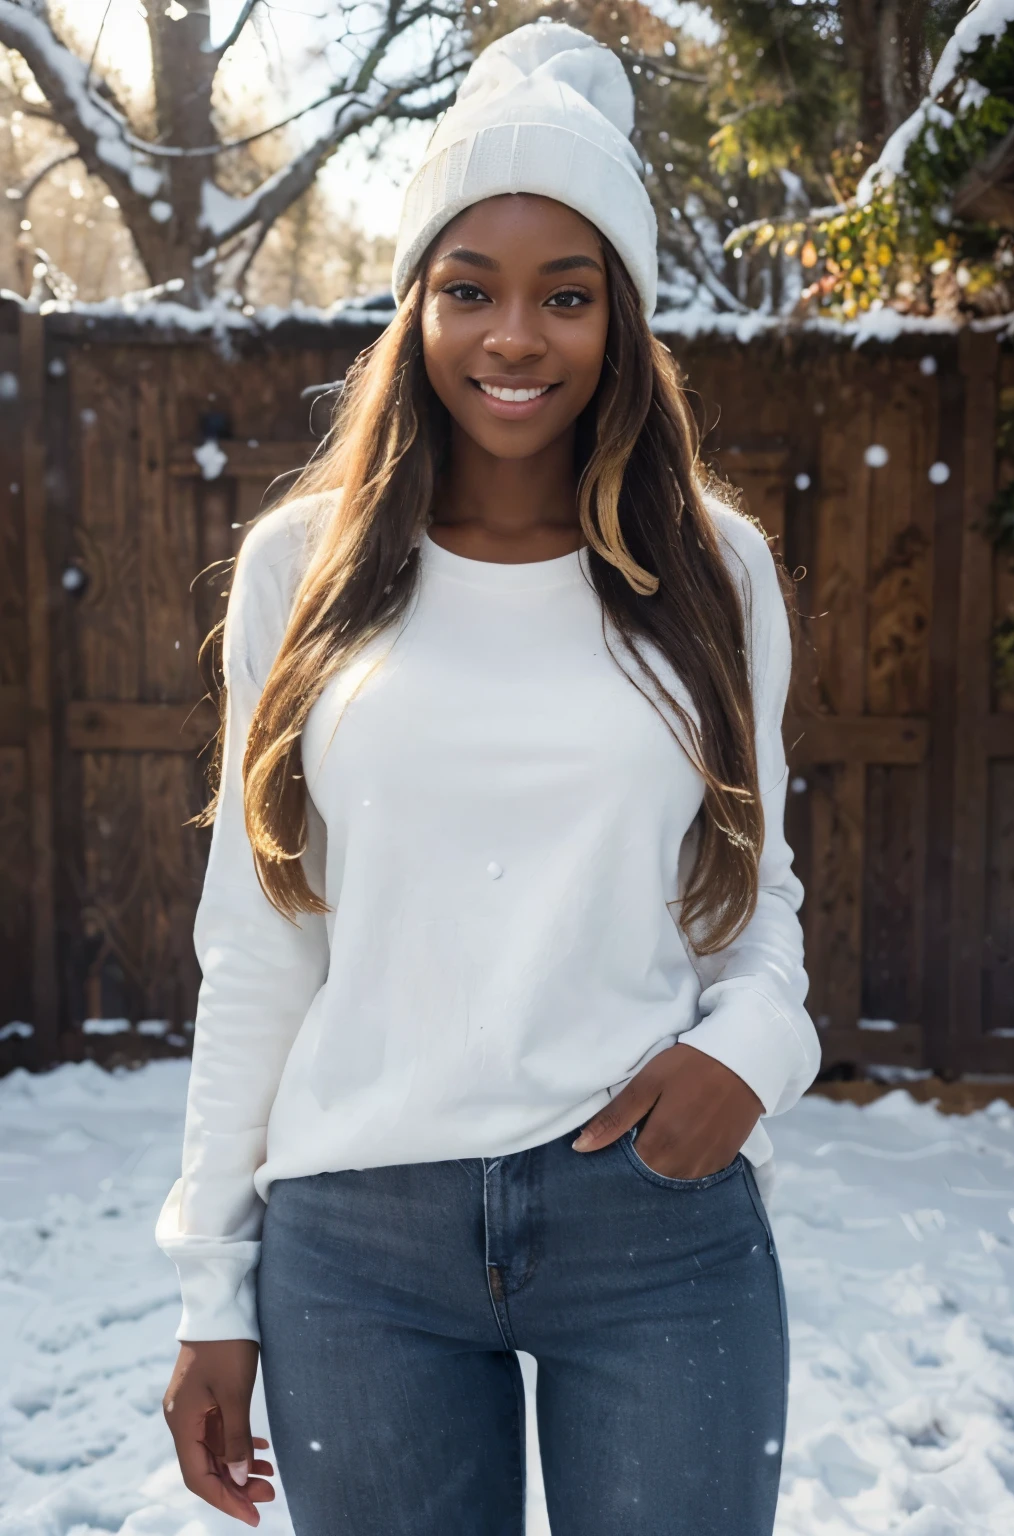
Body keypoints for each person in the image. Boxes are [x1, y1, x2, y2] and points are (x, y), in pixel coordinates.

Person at [157, 22, 820, 1536]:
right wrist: (215, 1286)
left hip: (650, 1219)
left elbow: (754, 894)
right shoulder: (298, 570)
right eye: (469, 289)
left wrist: (755, 1050)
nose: (513, 337)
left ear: (624, 321)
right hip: (360, 1240)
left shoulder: (715, 571)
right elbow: (258, 939)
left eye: (566, 295)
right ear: (415, 307)